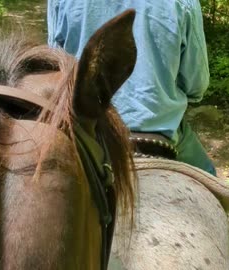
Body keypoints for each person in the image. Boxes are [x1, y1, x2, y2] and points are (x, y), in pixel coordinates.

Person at [47, 0, 216, 176]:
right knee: (209, 175)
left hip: (88, 130)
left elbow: (56, 68)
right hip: (158, 134)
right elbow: (197, 85)